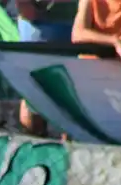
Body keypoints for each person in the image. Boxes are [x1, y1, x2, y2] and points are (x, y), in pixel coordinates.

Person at [14, 1, 75, 136]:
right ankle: (32, 146)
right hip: (38, 32)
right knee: (34, 94)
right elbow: (27, 11)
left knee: (72, 103)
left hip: (76, 29)